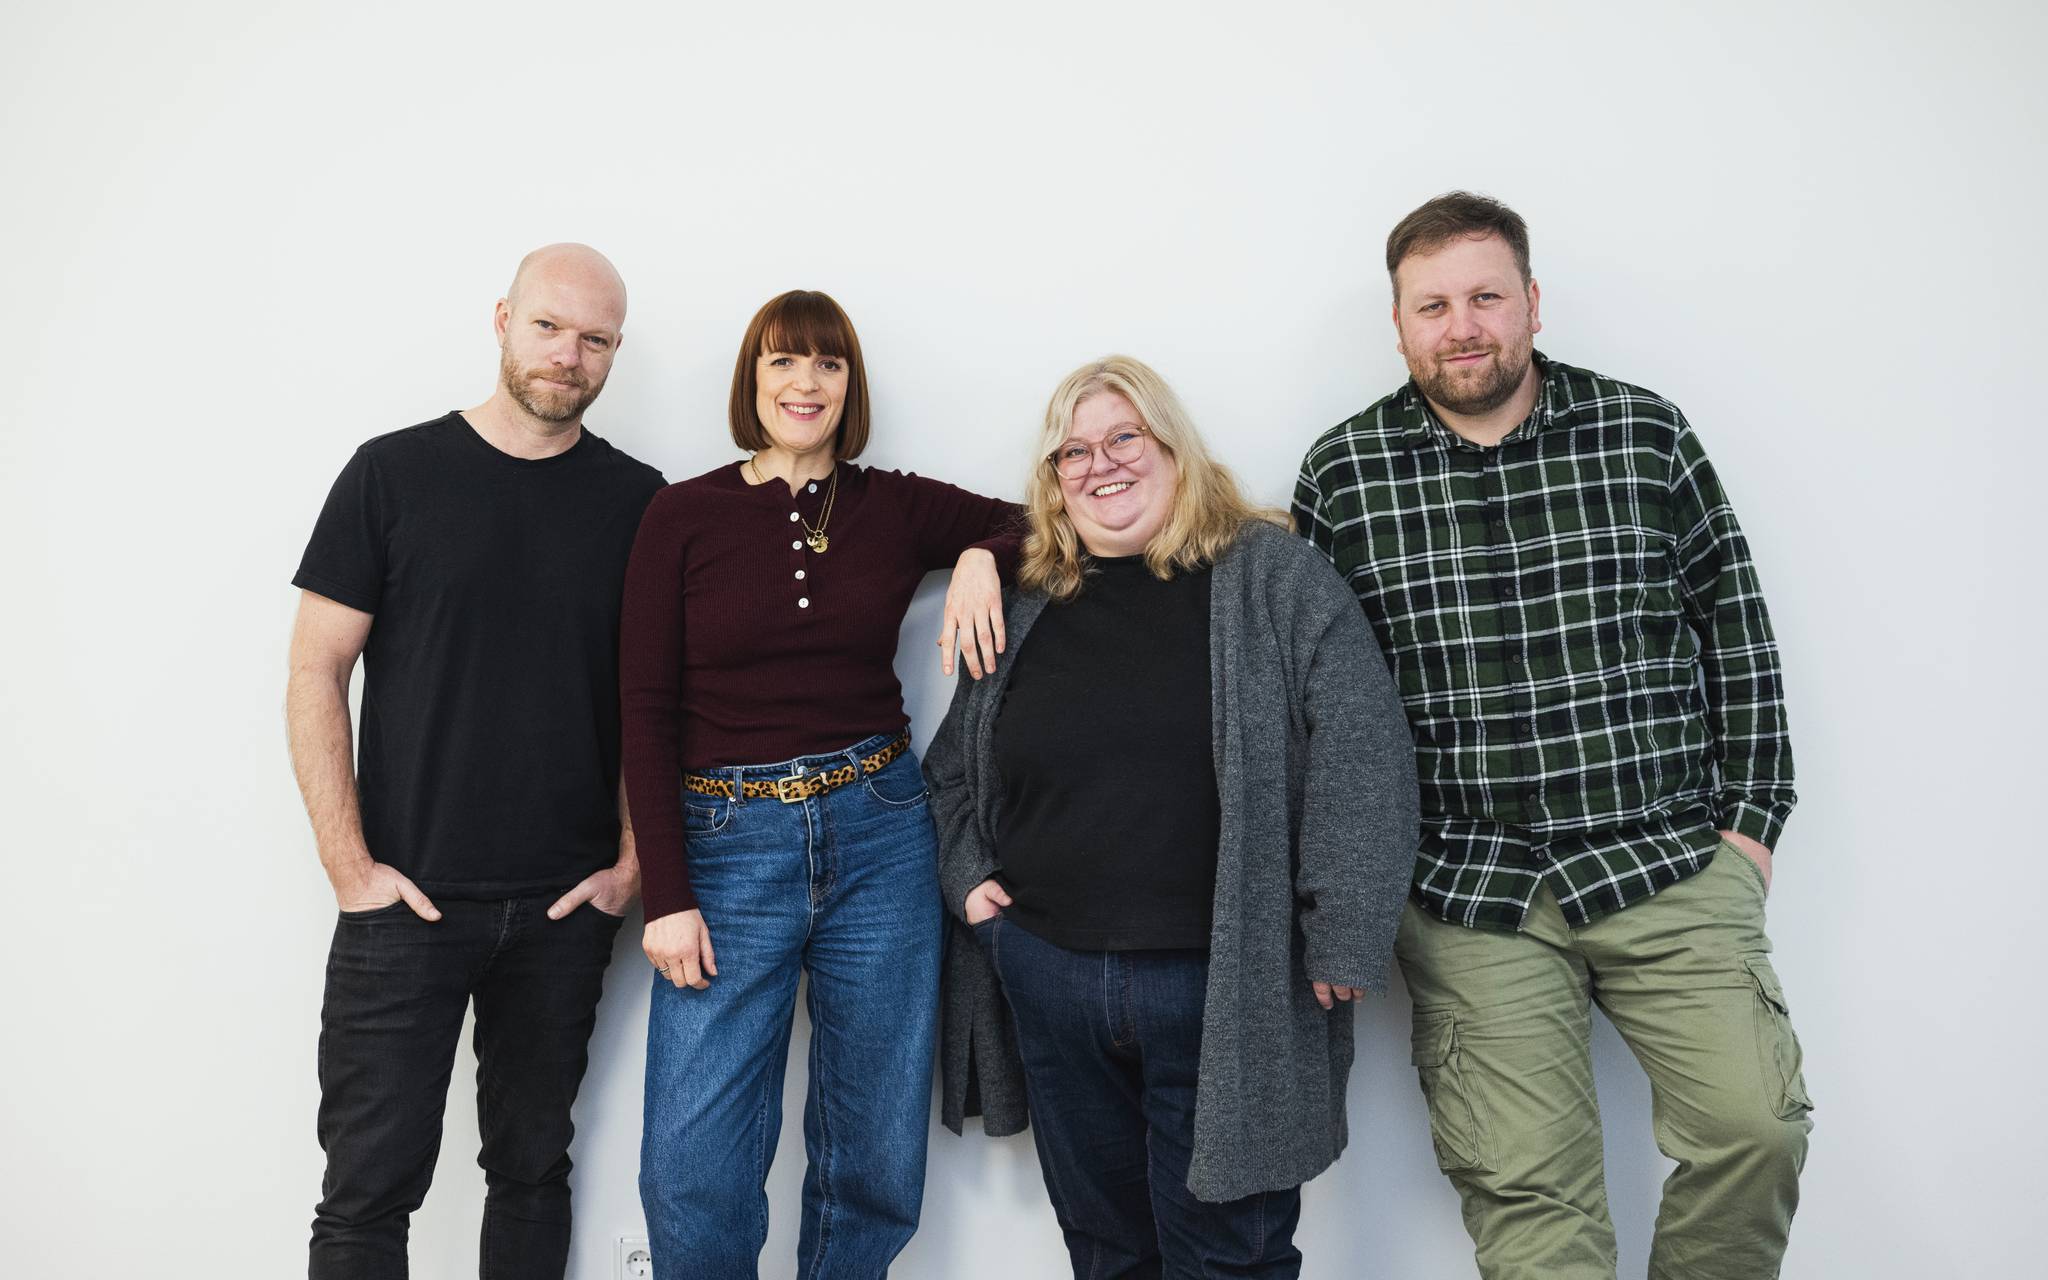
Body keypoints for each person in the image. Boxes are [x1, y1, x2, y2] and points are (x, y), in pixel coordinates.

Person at [1293, 191, 1810, 1280]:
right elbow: (1320, 701)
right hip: (1469, 888)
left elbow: (1735, 626)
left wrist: (1749, 826)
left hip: (1665, 857)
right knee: (1534, 1206)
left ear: (1530, 301)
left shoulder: (1641, 430)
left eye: (1484, 295)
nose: (1461, 324)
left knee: (1754, 1129)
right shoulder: (1341, 472)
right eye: (1430, 304)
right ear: (1397, 324)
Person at [926, 355, 1420, 1278]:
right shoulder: (1029, 601)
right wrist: (974, 893)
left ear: (1172, 448)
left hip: (1224, 989)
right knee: (1109, 1255)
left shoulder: (1271, 576)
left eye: (1124, 437)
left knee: (1229, 1258)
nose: (1100, 464)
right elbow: (951, 772)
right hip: (1052, 977)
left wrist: (1347, 932)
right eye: (1073, 451)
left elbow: (1364, 749)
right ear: (1052, 480)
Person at [620, 289, 1022, 1279]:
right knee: (692, 1154)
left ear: (851, 385)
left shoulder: (889, 502)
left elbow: (1033, 521)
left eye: (828, 364)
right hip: (725, 842)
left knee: (872, 1135)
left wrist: (977, 552)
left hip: (879, 831)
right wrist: (667, 896)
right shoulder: (682, 514)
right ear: (750, 381)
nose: (806, 383)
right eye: (783, 362)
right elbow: (642, 710)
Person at [286, 244, 664, 1279]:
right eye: (549, 325)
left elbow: (653, 699)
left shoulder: (641, 503)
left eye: (595, 338)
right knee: (366, 1191)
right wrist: (348, 868)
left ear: (613, 354)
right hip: (402, 904)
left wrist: (630, 862)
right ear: (502, 319)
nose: (568, 353)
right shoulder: (391, 472)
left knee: (533, 1169)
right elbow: (316, 671)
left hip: (562, 909)